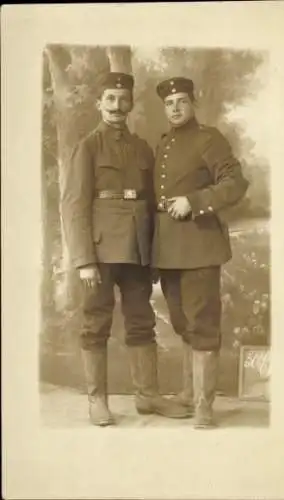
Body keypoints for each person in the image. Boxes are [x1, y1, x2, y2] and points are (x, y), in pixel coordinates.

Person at [60, 72, 189, 426]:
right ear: (99, 103)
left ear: (130, 103)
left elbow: (150, 204)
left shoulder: (142, 148)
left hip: (136, 250)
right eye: (110, 99)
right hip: (100, 253)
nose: (117, 106)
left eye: (123, 99)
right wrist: (84, 259)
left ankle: (147, 396)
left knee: (141, 322)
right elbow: (74, 205)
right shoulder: (87, 147)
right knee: (95, 324)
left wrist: (153, 253)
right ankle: (97, 401)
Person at [152, 76, 249, 429]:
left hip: (200, 244)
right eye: (169, 103)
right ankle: (189, 392)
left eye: (181, 101)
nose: (175, 108)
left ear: (193, 103)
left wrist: (194, 202)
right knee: (181, 321)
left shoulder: (209, 138)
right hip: (168, 249)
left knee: (202, 322)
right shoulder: (163, 144)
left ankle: (204, 406)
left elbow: (234, 183)